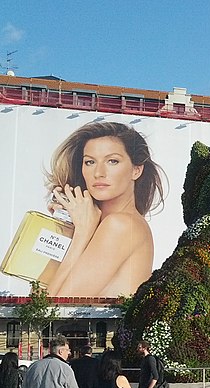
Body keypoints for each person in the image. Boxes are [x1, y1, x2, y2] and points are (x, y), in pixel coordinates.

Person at [45, 122, 165, 297]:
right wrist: (67, 229)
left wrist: (83, 233)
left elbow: (53, 307)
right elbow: (38, 295)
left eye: (112, 161)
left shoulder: (121, 225)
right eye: (90, 162)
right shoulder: (106, 224)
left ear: (136, 170)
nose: (98, 172)